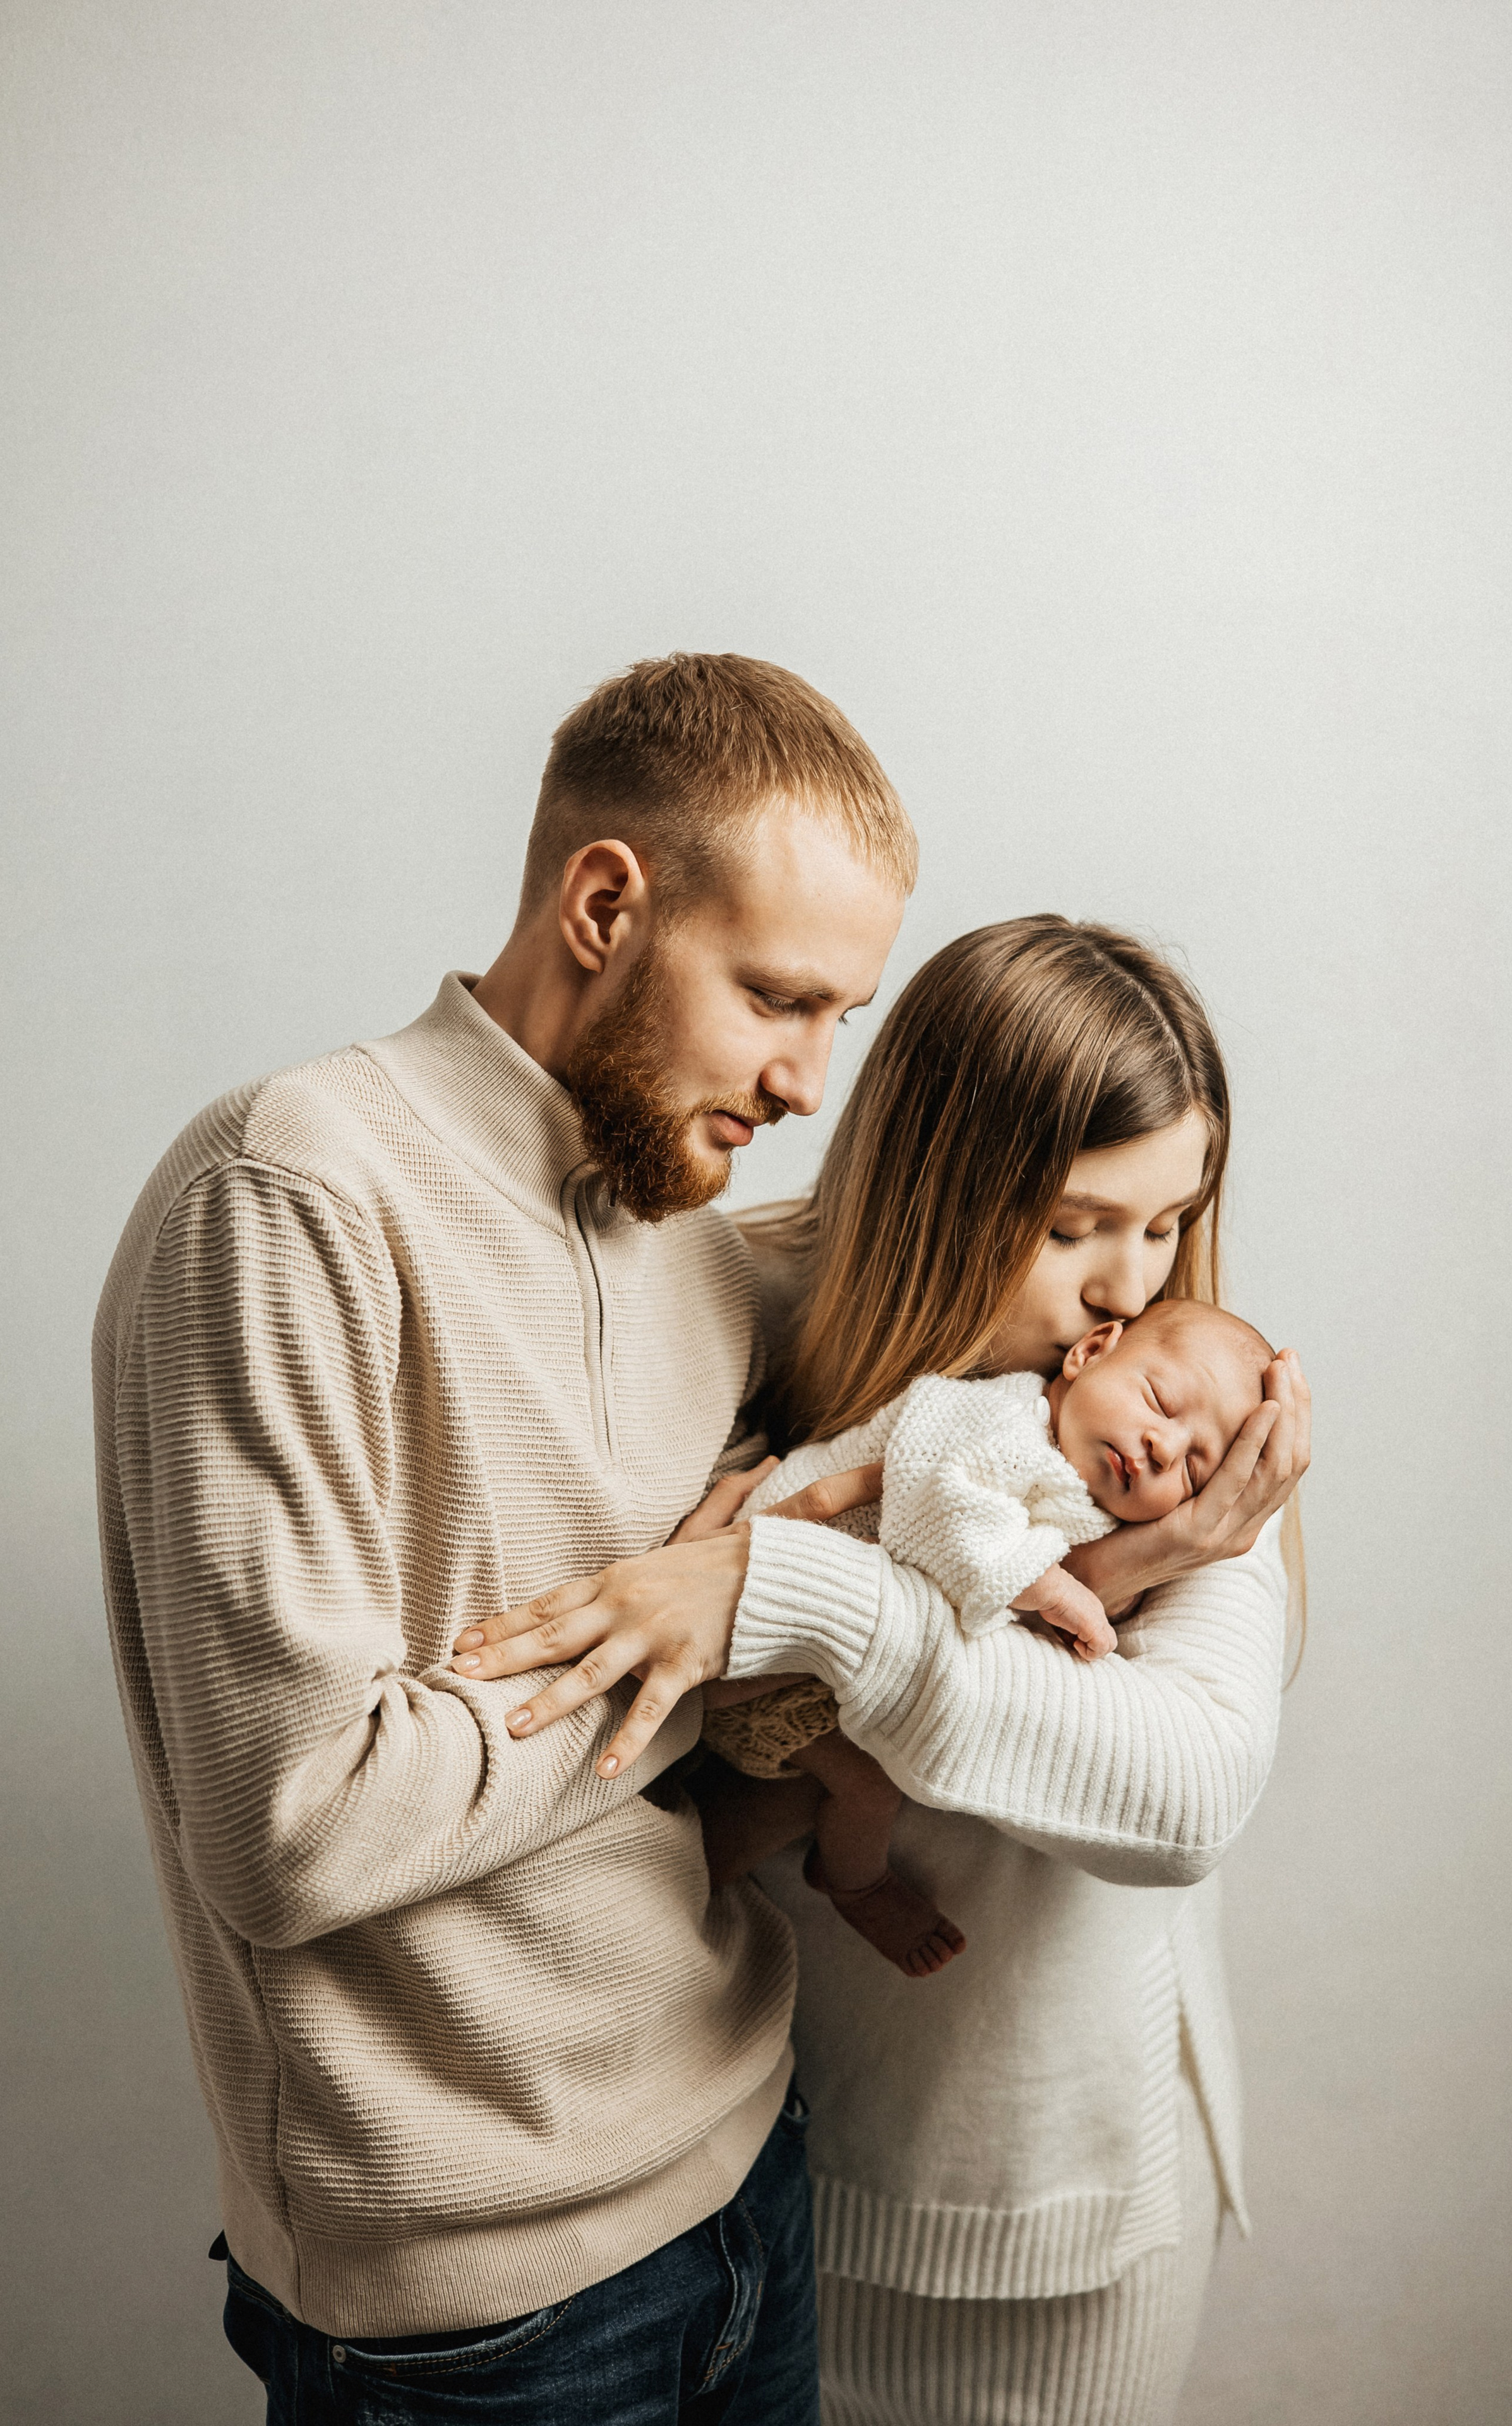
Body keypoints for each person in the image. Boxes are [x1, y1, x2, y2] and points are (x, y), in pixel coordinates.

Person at [92, 652, 918, 2424]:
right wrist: (698, 1642)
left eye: (844, 1017)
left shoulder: (696, 1235)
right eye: (781, 998)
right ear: (607, 903)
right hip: (484, 2325)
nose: (808, 1080)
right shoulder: (294, 1192)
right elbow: (292, 1830)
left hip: (754, 2171)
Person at [456, 915, 1311, 2426]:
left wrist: (795, 1585)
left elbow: (1181, 1792)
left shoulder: (1183, 1435)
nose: (1128, 1287)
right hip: (725, 2181)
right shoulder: (732, 1304)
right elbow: (626, 1685)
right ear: (940, 1186)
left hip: (1036, 2212)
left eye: (1167, 1219)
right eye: (1071, 1227)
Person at [698, 1298, 1276, 1981]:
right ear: (1090, 1352)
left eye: (1194, 1471)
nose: (1163, 1446)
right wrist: (1054, 1588)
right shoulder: (1003, 1418)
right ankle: (854, 1881)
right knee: (869, 1789)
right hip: (749, 1625)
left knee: (797, 1803)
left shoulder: (1091, 1498)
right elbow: (939, 1502)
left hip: (810, 1690)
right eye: (1157, 1401)